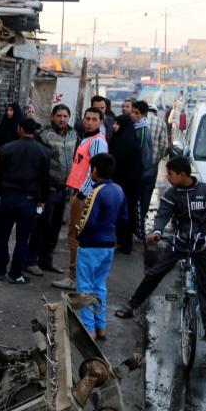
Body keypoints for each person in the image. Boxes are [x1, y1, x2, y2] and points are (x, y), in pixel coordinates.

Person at [115, 156, 206, 340]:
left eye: (170, 174)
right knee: (155, 273)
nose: (168, 177)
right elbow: (163, 214)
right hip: (179, 242)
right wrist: (157, 230)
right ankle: (131, 306)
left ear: (182, 174)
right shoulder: (171, 194)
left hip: (203, 244)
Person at [52, 108, 108, 290]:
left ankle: (73, 277)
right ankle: (76, 275)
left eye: (94, 119)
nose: (90, 122)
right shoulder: (87, 139)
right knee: (76, 236)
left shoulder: (97, 142)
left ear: (100, 122)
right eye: (87, 118)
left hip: (83, 195)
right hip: (78, 192)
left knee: (75, 237)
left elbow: (97, 171)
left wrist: (83, 193)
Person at [0, 117, 51, 284]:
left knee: (2, 236)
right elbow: (46, 179)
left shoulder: (7, 148)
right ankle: (16, 273)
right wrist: (43, 199)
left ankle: (0, 270)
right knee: (22, 239)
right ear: (35, 131)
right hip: (29, 199)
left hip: (8, 197)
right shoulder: (43, 151)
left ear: (20, 129)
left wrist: (3, 191)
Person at [75, 153, 127, 340]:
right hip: (109, 244)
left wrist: (77, 234)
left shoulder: (96, 192)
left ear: (95, 170)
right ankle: (101, 327)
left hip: (91, 245)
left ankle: (88, 329)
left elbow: (88, 219)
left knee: (85, 287)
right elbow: (123, 218)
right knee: (100, 286)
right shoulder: (119, 190)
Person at [27, 103, 76, 275]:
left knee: (55, 227)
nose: (62, 119)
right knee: (41, 225)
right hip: (48, 189)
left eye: (65, 116)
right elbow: (36, 163)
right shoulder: (43, 135)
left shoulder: (73, 134)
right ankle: (31, 260)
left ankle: (46, 260)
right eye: (59, 116)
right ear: (52, 117)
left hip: (64, 189)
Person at [109, 113, 143, 254]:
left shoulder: (124, 141)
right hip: (127, 185)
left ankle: (123, 243)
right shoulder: (125, 138)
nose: (114, 126)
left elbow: (119, 162)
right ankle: (123, 242)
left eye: (117, 124)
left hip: (125, 185)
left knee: (124, 213)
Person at [132, 100, 156, 239]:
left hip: (142, 174)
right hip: (143, 173)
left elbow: (144, 155)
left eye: (137, 113)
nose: (134, 115)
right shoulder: (139, 128)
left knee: (139, 206)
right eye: (133, 112)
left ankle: (139, 233)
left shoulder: (141, 131)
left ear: (144, 115)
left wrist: (139, 173)